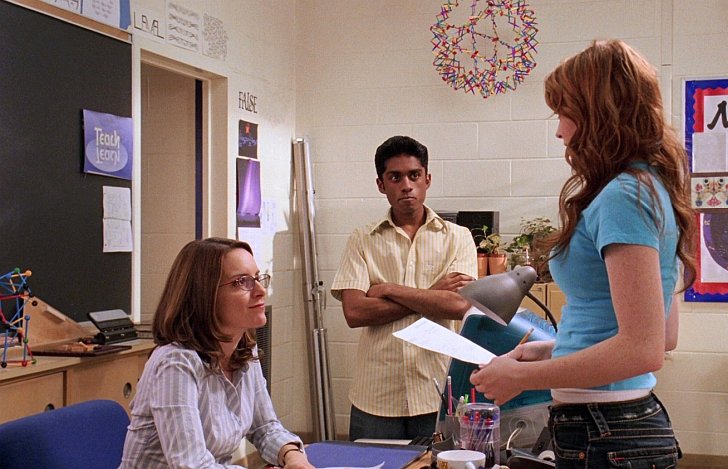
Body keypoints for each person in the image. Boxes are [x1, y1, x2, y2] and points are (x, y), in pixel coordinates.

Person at [470, 39, 696, 468]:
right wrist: (554, 350)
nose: (559, 131)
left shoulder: (623, 196)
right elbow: (661, 335)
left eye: (564, 113)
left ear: (597, 114)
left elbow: (643, 349)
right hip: (613, 425)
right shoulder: (646, 187)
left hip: (606, 429)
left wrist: (522, 376)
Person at [120, 238, 314, 469]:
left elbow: (265, 427)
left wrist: (292, 455)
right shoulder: (176, 363)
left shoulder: (244, 351)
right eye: (242, 282)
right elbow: (191, 465)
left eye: (257, 278)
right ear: (205, 295)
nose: (261, 291)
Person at [331, 135, 478, 441]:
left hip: (437, 392)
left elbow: (458, 306)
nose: (406, 185)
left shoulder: (458, 237)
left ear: (427, 179)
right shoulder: (362, 239)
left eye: (414, 175)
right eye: (395, 177)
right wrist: (433, 293)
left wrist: (389, 289)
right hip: (376, 396)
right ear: (381, 184)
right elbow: (355, 312)